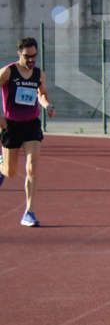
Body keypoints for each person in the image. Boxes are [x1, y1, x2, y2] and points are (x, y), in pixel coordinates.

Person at [0, 37, 56, 226]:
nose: (31, 60)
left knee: (32, 167)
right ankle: (2, 165)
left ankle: (29, 212)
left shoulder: (39, 74)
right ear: (19, 54)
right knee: (10, 172)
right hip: (11, 126)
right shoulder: (8, 72)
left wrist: (47, 105)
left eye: (34, 56)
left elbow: (42, 94)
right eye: (27, 57)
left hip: (31, 125)